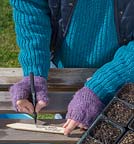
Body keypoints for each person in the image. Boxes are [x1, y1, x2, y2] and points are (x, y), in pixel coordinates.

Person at [9, 0, 134, 136]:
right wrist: (34, 69)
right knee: (74, 139)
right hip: (66, 76)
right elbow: (31, 7)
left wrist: (102, 87)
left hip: (125, 73)